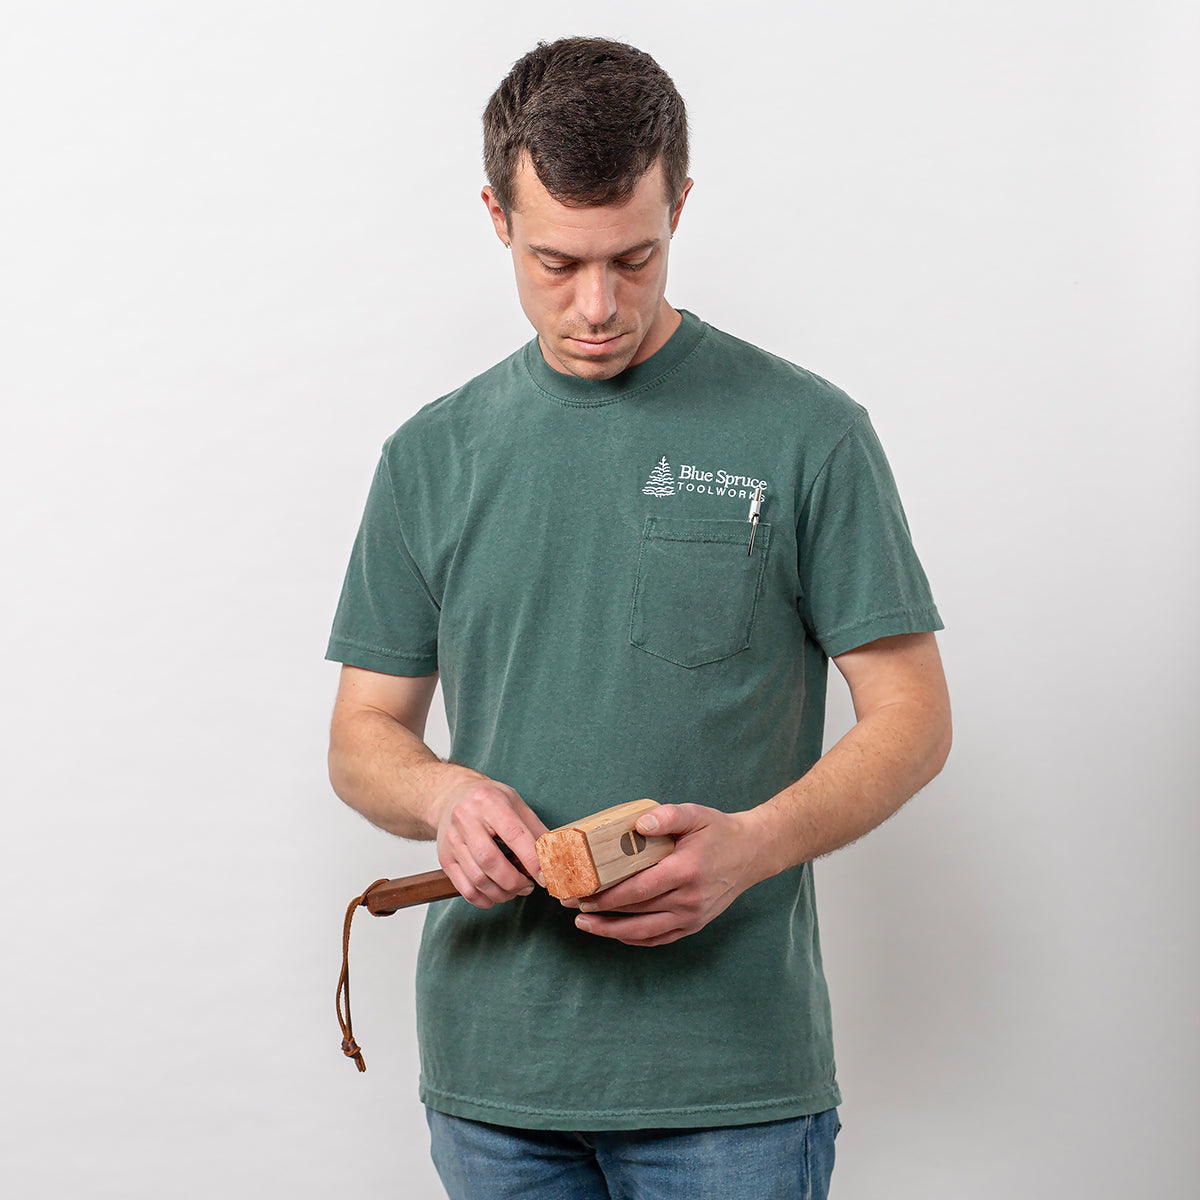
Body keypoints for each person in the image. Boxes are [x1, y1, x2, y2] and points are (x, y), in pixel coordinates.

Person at [326, 36, 951, 1200]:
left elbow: (912, 714)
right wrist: (443, 796)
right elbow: (362, 733)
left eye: (636, 256)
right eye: (558, 262)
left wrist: (754, 847)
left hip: (730, 1087)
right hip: (495, 1085)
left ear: (682, 205)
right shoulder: (431, 457)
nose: (599, 305)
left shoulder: (809, 432)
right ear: (496, 218)